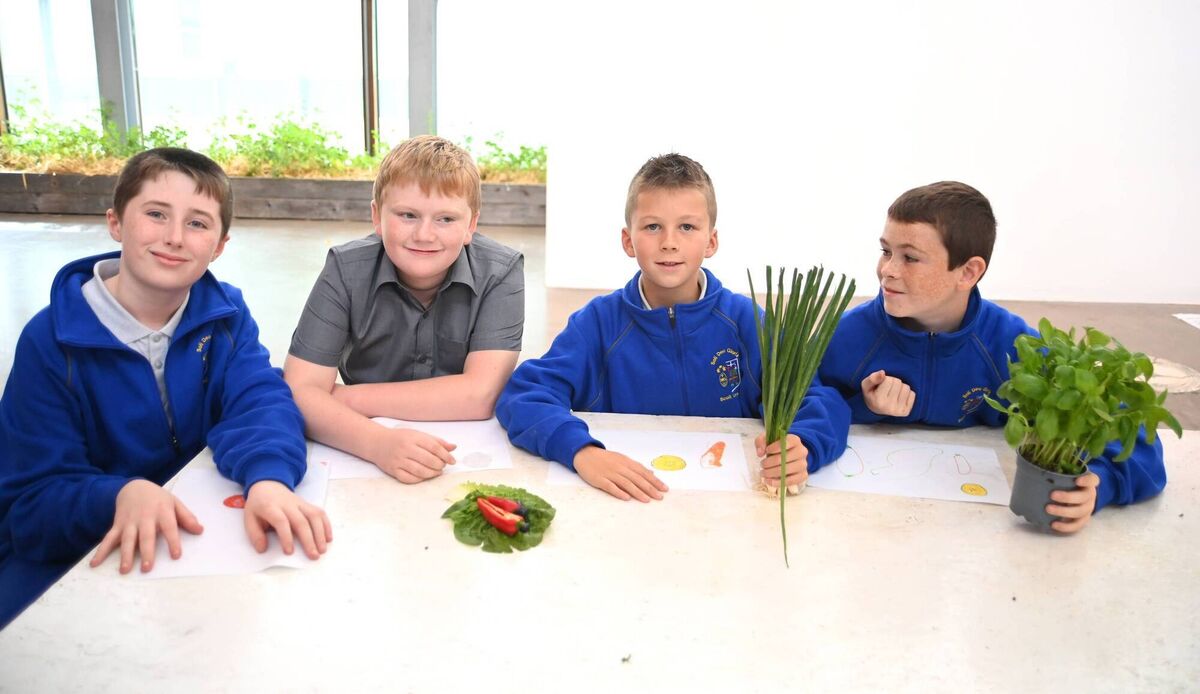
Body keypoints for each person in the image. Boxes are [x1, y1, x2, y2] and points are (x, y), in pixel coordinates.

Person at [0, 148, 330, 628]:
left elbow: (259, 400)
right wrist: (119, 496)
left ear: (219, 246)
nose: (175, 237)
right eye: (156, 214)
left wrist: (268, 477)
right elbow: (29, 504)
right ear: (116, 223)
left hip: (192, 535)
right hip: (81, 546)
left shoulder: (226, 315)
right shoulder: (49, 341)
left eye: (197, 223)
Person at [496, 153, 849, 501]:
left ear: (711, 241)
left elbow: (818, 397)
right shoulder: (598, 324)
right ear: (628, 240)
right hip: (629, 505)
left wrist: (804, 445)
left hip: (732, 507)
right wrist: (582, 452)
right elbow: (525, 395)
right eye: (653, 226)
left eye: (687, 227)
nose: (669, 242)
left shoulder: (747, 322)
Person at [817, 180, 1166, 532]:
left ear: (968, 272)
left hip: (973, 528)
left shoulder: (1010, 344)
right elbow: (799, 397)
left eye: (910, 257)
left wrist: (1102, 484)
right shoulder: (848, 334)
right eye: (885, 251)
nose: (888, 270)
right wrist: (864, 406)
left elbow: (1131, 434)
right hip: (871, 521)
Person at [284, 136, 524, 484]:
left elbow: (479, 396)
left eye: (446, 219)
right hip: (359, 440)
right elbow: (299, 392)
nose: (424, 235)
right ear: (377, 216)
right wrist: (377, 444)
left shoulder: (501, 272)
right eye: (408, 215)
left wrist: (343, 397)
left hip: (467, 451)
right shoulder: (345, 269)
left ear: (471, 225)